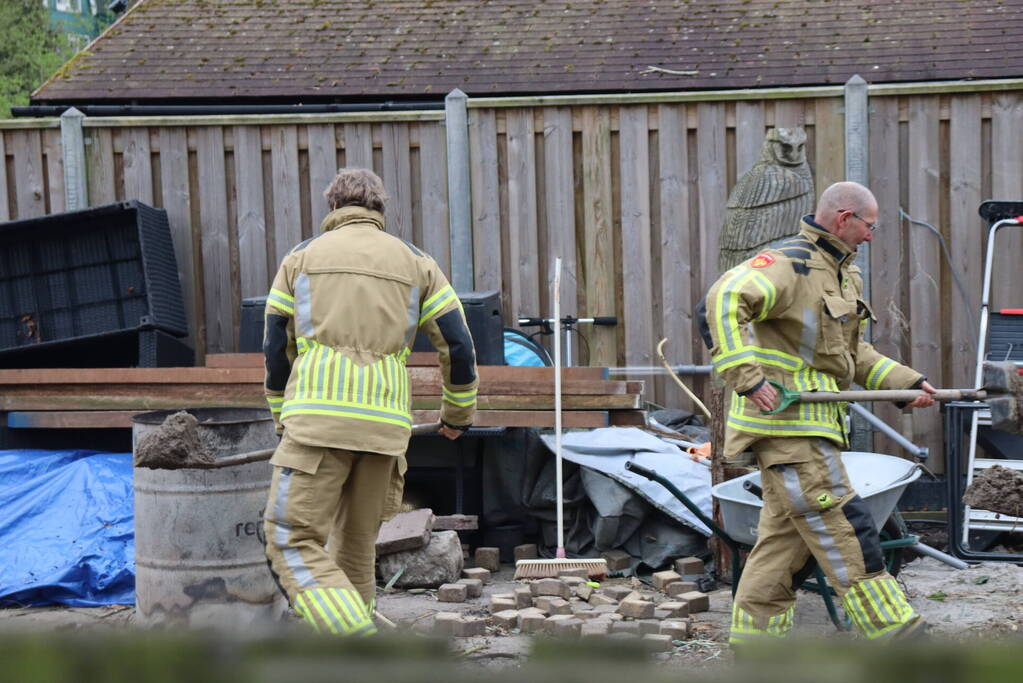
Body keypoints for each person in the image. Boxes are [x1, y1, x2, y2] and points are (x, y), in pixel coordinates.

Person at [701, 181, 936, 643]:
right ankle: (899, 638)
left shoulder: (844, 275)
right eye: (869, 226)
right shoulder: (790, 262)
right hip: (787, 427)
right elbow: (724, 298)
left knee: (781, 550)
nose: (871, 236)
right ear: (844, 218)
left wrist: (906, 384)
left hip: (815, 427)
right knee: (846, 527)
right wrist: (747, 378)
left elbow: (853, 356)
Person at [262, 168, 478, 636]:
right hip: (383, 430)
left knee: (290, 538)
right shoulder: (417, 261)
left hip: (316, 424)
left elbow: (276, 346)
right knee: (354, 551)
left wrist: (281, 414)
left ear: (333, 208)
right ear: (380, 209)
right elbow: (458, 344)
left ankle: (358, 641)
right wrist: (456, 415)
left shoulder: (301, 258)